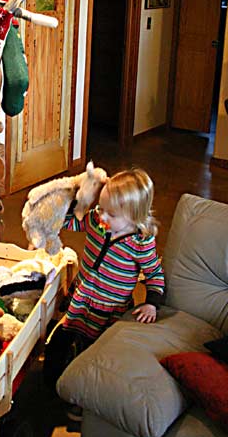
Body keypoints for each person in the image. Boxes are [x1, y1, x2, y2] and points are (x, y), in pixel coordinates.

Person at [44, 167, 165, 390]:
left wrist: (152, 303)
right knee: (62, 337)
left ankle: (82, 394)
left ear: (135, 215)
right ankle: (50, 385)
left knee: (94, 353)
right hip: (82, 297)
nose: (102, 216)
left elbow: (154, 274)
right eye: (101, 207)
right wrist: (74, 199)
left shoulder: (140, 243)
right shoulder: (96, 221)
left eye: (112, 213)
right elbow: (70, 221)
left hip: (108, 309)